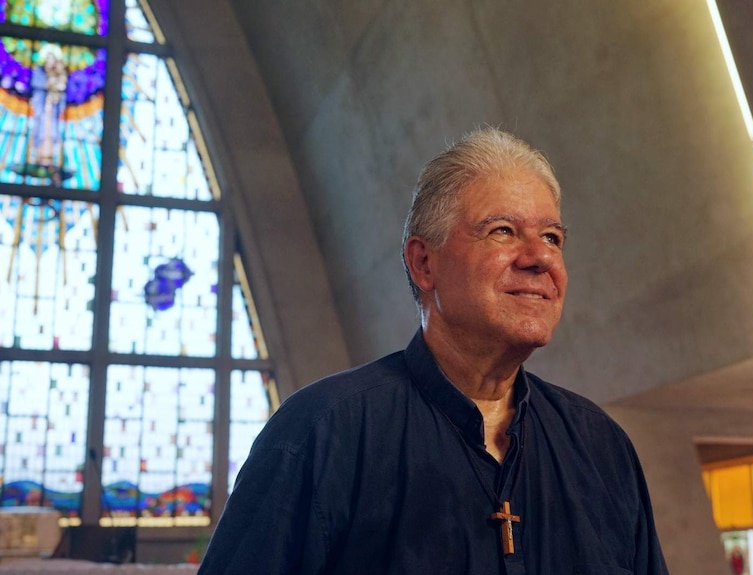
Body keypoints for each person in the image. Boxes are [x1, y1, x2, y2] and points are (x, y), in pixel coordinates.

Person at [198, 127, 670, 574]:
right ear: (424, 263)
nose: (541, 258)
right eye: (503, 230)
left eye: (552, 237)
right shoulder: (320, 435)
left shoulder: (603, 448)